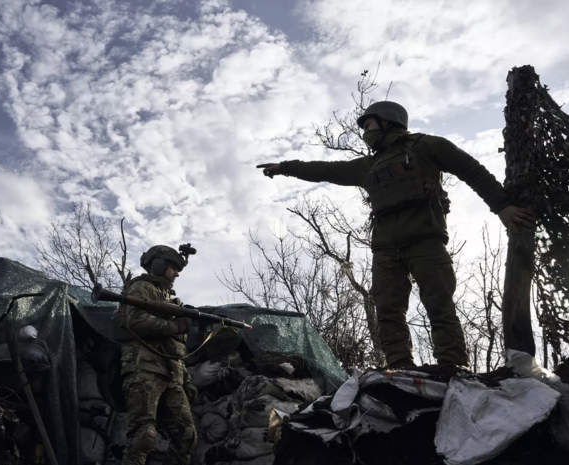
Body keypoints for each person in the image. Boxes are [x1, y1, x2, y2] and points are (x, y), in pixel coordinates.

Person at [256, 101, 535, 369]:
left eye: (369, 124)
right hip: (385, 250)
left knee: (439, 306)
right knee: (388, 311)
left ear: (387, 122)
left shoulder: (426, 146)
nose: (366, 131)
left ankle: (452, 366)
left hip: (426, 242)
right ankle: (400, 368)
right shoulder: (367, 167)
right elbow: (324, 170)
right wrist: (286, 168)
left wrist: (502, 206)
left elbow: (472, 171)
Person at [112, 245, 197, 465]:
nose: (176, 274)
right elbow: (136, 321)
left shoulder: (169, 297)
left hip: (171, 376)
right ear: (158, 266)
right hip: (144, 370)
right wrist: (176, 327)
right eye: (173, 268)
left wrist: (185, 379)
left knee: (187, 436)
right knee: (143, 436)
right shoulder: (142, 288)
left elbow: (173, 347)